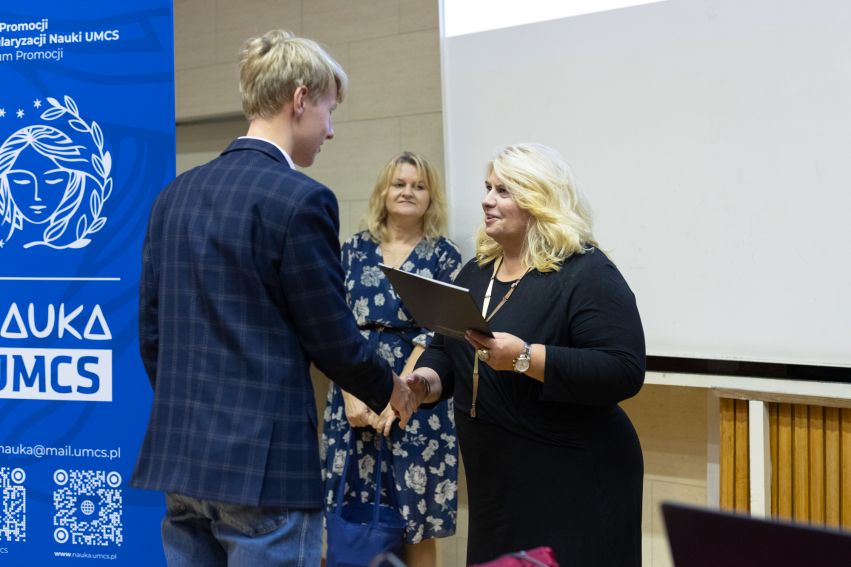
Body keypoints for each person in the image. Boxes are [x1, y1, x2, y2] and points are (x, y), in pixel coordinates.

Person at [132, 30, 416, 567]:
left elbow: (152, 334)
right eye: (330, 111)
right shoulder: (302, 199)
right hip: (265, 471)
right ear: (301, 99)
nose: (331, 130)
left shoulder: (173, 195)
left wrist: (190, 411)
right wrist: (390, 390)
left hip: (182, 461)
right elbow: (331, 336)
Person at [407, 143, 646, 566]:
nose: (486, 200)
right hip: (497, 483)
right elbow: (448, 346)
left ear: (539, 200)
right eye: (487, 187)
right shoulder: (478, 270)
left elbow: (623, 370)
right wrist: (424, 382)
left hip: (574, 478)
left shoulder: (585, 272)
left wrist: (525, 358)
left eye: (503, 190)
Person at [321, 151, 461, 567]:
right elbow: (332, 323)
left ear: (430, 198)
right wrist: (353, 392)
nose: (408, 192)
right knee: (349, 515)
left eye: (419, 186)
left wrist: (398, 394)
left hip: (418, 399)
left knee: (416, 519)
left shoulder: (445, 255)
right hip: (353, 399)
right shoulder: (352, 249)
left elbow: (435, 334)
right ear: (384, 191)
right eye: (400, 183)